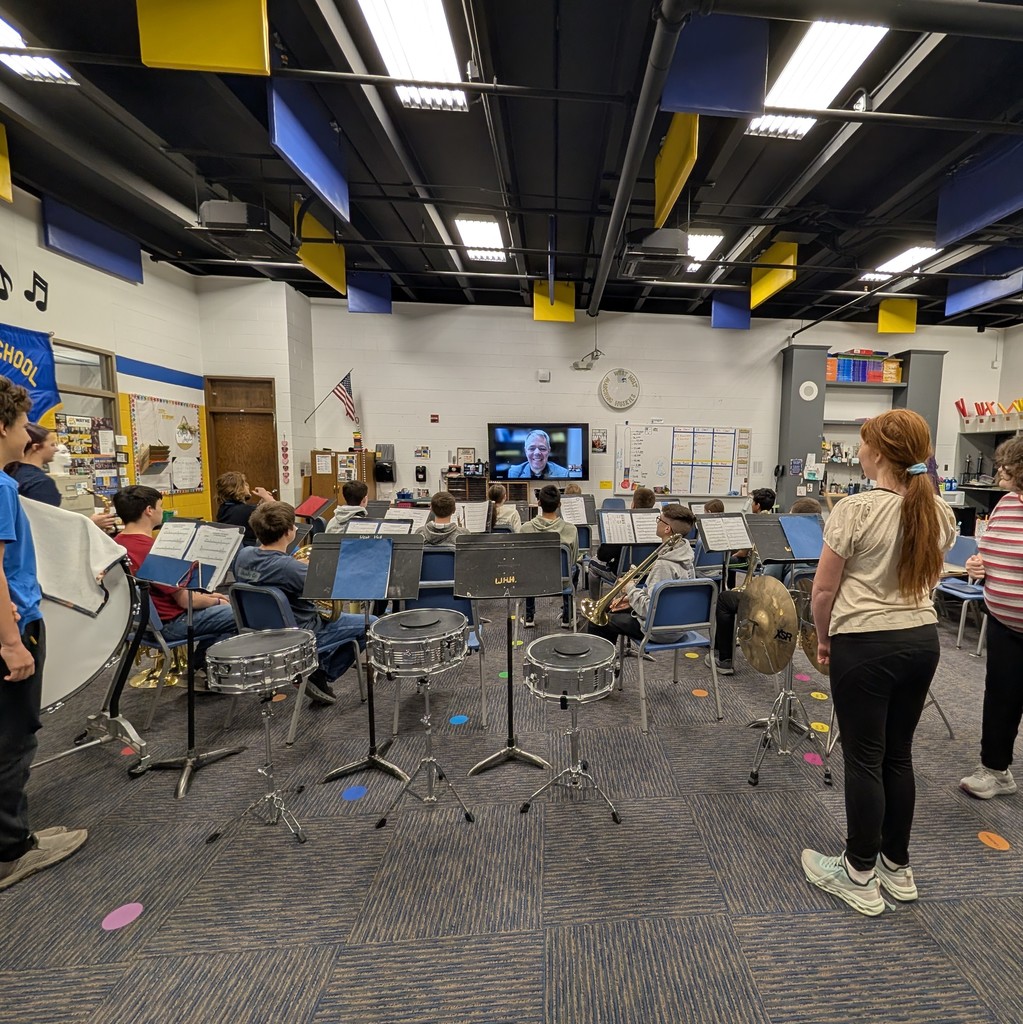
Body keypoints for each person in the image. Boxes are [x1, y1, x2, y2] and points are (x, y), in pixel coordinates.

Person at [801, 409, 955, 916]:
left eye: (864, 444)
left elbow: (823, 591)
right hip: (922, 641)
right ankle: (896, 865)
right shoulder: (939, 511)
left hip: (865, 644)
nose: (860, 452)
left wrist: (823, 641)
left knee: (864, 758)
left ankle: (859, 872)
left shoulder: (856, 509)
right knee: (898, 755)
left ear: (880, 454)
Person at [0, 377, 88, 891]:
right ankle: (12, 850)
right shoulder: (3, 486)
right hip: (12, 626)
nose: (28, 434)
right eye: (22, 424)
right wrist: (11, 641)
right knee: (13, 738)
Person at [235, 502, 372, 706]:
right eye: (294, 525)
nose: (297, 528)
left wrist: (298, 567)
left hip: (258, 630)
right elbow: (331, 588)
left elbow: (276, 571)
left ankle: (315, 667)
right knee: (371, 624)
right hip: (301, 632)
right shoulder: (289, 568)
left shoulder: (244, 555)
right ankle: (321, 673)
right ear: (288, 532)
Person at [959, 435, 1023, 800]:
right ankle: (995, 771)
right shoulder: (1005, 505)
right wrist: (977, 566)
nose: (1000, 470)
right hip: (1003, 621)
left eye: (1008, 465)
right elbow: (990, 552)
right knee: (1001, 696)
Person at [113, 485, 237, 668]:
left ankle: (201, 667)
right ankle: (203, 670)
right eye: (160, 506)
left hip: (140, 624)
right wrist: (217, 602)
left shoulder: (116, 543)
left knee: (223, 604)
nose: (162, 511)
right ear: (149, 510)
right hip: (170, 624)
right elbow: (185, 600)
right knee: (240, 613)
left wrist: (211, 597)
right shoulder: (153, 550)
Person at [707, 496, 823, 676]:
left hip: (780, 610)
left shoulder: (784, 543)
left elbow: (769, 582)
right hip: (811, 611)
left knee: (725, 599)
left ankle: (724, 659)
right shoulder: (825, 543)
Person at [586, 503, 696, 644]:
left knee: (597, 622)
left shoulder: (664, 564)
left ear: (667, 528)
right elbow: (661, 599)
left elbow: (648, 609)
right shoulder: (685, 554)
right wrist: (631, 601)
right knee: (609, 608)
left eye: (659, 519)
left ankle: (602, 664)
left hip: (658, 629)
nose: (657, 522)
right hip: (678, 623)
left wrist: (630, 589)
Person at [5, 422, 116, 532]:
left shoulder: (11, 473)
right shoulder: (40, 483)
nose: (56, 449)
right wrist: (89, 523)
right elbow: (48, 528)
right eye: (52, 445)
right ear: (36, 448)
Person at [520, 484, 580, 628]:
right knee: (575, 568)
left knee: (527, 567)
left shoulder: (525, 528)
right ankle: (568, 617)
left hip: (533, 581)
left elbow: (521, 559)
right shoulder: (571, 529)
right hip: (562, 582)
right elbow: (574, 558)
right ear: (559, 504)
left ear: (539, 503)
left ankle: (529, 616)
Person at [593, 486, 656, 576]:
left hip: (622, 573)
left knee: (592, 562)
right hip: (650, 573)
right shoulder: (660, 527)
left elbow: (602, 556)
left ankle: (594, 591)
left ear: (633, 504)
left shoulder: (622, 527)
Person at [214, 471, 273, 546]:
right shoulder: (245, 510)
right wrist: (268, 498)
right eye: (244, 484)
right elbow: (282, 514)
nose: (248, 486)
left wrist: (261, 505)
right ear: (238, 489)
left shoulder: (225, 508)